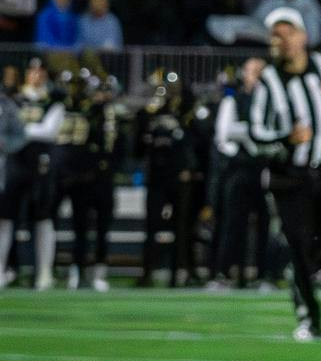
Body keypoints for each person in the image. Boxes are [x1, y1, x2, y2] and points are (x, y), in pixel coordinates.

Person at [247, 9, 321, 339]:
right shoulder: (268, 81)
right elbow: (255, 131)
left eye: (288, 33)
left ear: (303, 36)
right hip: (289, 175)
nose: (282, 41)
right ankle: (310, 319)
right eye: (276, 35)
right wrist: (285, 138)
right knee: (299, 246)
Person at [209, 59, 273, 290]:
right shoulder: (232, 100)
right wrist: (251, 139)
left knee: (264, 224)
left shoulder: (271, 101)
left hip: (263, 168)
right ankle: (224, 272)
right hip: (238, 168)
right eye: (253, 71)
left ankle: (262, 275)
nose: (257, 76)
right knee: (233, 223)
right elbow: (224, 135)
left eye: (261, 71)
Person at [1, 58, 65, 288]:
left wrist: (19, 132)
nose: (35, 75)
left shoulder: (53, 100)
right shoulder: (13, 99)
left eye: (40, 71)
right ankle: (2, 269)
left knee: (43, 216)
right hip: (15, 162)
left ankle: (44, 272)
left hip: (40, 163)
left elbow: (50, 131)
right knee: (5, 216)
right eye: (32, 71)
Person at [135, 72, 201, 288]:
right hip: (157, 177)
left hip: (179, 177)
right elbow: (137, 147)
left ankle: (177, 274)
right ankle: (147, 273)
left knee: (181, 228)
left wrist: (188, 168)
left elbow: (194, 143)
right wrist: (149, 116)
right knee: (152, 226)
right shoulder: (151, 114)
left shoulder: (186, 114)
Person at [56, 70, 119, 290]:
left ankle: (99, 271)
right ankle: (78, 269)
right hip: (85, 178)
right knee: (81, 226)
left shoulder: (112, 114)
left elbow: (119, 147)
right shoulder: (88, 113)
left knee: (103, 226)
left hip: (105, 178)